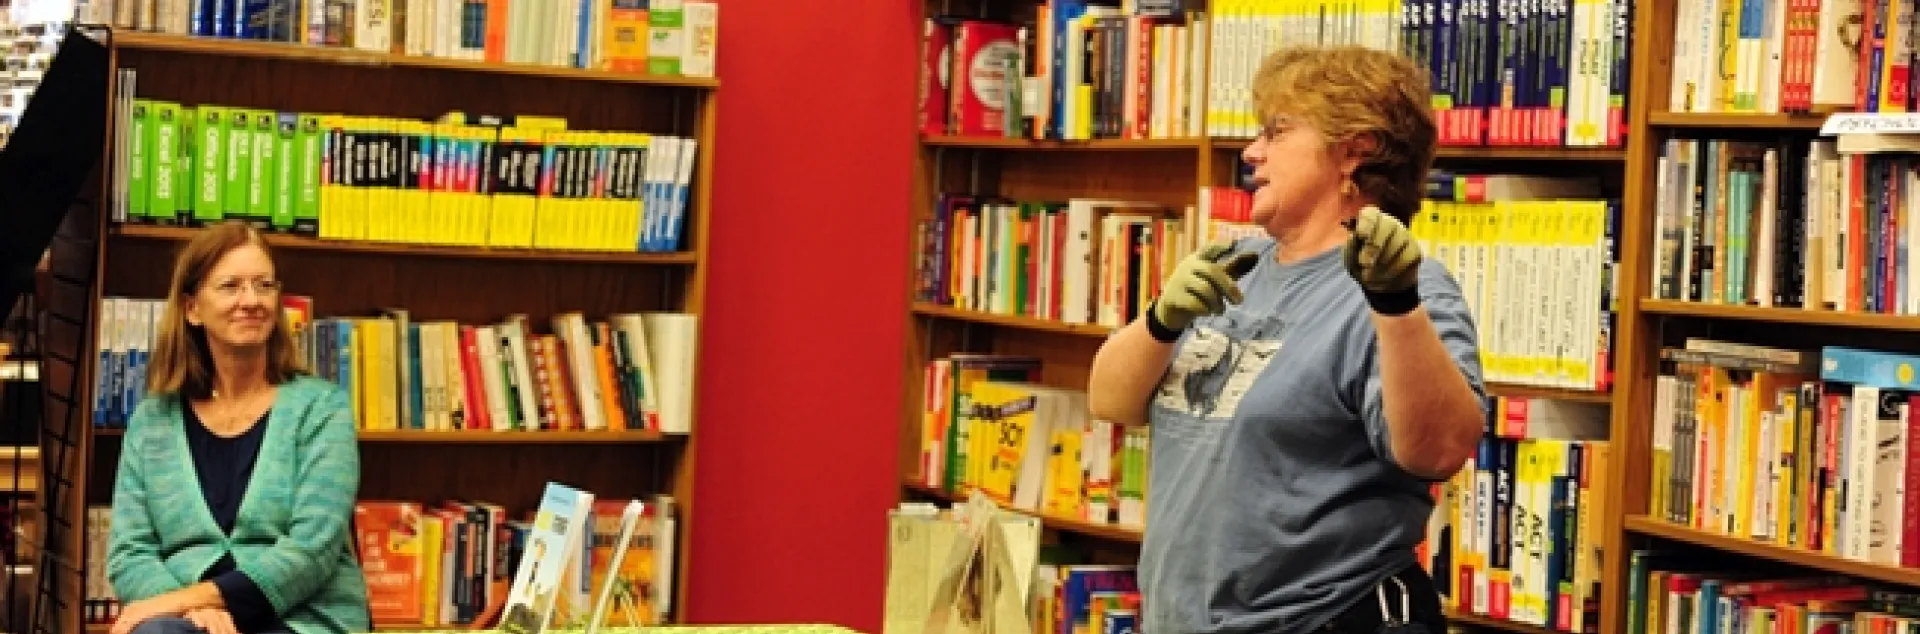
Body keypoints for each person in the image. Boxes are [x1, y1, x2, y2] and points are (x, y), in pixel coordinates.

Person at [1086, 46, 1488, 634]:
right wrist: (1159, 321)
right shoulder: (1235, 263)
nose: (1252, 151)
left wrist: (1397, 308)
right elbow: (1109, 401)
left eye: (1277, 132)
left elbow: (1440, 450)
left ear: (1354, 151)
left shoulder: (1408, 287)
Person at [106, 221, 369, 634]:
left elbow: (313, 551)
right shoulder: (152, 421)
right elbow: (129, 552)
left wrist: (193, 599)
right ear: (192, 307)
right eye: (231, 286)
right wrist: (195, 615)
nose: (252, 301)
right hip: (185, 626)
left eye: (264, 285)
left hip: (301, 619)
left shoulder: (321, 409)